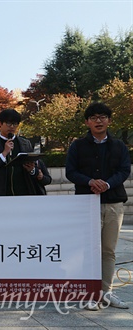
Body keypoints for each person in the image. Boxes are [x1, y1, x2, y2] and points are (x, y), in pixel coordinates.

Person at [65, 102, 130, 310]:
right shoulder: (77, 145)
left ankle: (107, 292)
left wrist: (107, 184)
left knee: (109, 250)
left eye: (103, 117)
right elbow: (70, 172)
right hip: (86, 203)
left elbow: (124, 171)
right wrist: (90, 181)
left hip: (113, 203)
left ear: (109, 120)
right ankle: (90, 294)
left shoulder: (119, 145)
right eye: (94, 117)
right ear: (87, 122)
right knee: (89, 250)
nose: (99, 121)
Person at [0, 109, 42, 196]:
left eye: (15, 124)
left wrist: (32, 170)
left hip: (23, 192)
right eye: (9, 123)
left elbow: (35, 167)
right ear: (0, 123)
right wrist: (4, 154)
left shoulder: (25, 143)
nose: (12, 127)